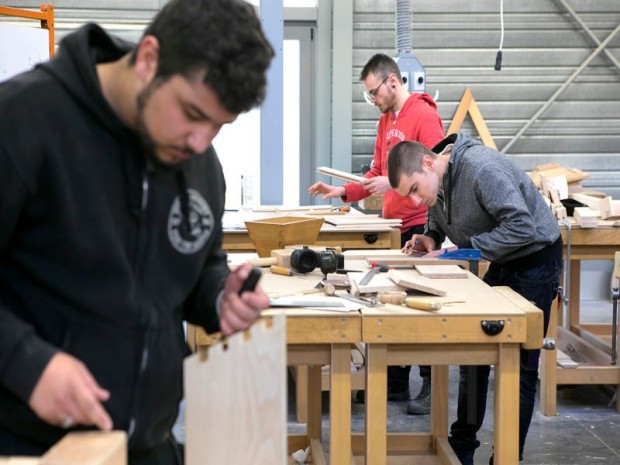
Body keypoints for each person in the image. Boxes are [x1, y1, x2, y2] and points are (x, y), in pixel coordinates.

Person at [0, 1, 273, 463]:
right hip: (30, 449)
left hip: (147, 444)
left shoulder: (199, 162)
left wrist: (217, 299)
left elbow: (197, 263)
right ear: (149, 59)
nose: (199, 142)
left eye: (218, 126)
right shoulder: (23, 121)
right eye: (191, 112)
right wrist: (26, 363)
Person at [387, 132, 563, 465]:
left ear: (428, 162)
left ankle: (508, 456)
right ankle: (463, 445)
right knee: (475, 354)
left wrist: (459, 249)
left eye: (413, 190)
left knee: (522, 365)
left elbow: (522, 227)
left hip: (536, 258)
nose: (413, 201)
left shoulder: (481, 169)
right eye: (406, 196)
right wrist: (431, 236)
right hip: (504, 259)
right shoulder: (436, 176)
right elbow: (435, 208)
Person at [308, 53, 444, 414]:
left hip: (421, 222)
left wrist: (397, 189)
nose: (373, 101)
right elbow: (376, 174)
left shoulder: (424, 114)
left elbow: (436, 169)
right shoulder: (387, 122)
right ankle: (396, 384)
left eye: (374, 93)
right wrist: (341, 192)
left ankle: (430, 385)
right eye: (368, 95)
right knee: (392, 303)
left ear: (393, 81)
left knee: (423, 306)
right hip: (393, 224)